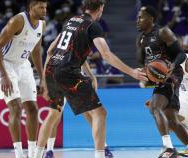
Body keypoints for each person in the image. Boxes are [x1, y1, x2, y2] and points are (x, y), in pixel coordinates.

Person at [34, 1, 147, 158]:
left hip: (52, 69)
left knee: (53, 114)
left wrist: (45, 80)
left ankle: (35, 155)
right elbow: (106, 55)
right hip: (68, 72)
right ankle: (101, 154)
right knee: (100, 114)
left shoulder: (71, 20)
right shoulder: (93, 26)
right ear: (100, 9)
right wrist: (132, 72)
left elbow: (52, 49)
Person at [136, 6, 188, 158]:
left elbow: (180, 53)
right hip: (160, 77)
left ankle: (168, 148)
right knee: (172, 120)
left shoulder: (163, 32)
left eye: (141, 17)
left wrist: (171, 66)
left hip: (172, 75)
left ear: (151, 19)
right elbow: (145, 64)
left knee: (155, 108)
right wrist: (146, 76)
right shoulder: (141, 39)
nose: (138, 20)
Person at [0, 0, 47, 158]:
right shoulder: (18, 20)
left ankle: (32, 153)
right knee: (16, 107)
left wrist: (42, 77)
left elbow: (36, 51)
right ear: (31, 8)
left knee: (33, 109)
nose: (44, 10)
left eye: (45, 7)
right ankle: (19, 154)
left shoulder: (42, 25)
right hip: (6, 64)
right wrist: (3, 75)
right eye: (40, 7)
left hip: (23, 65)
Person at [43, 61, 114, 158]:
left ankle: (104, 147)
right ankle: (49, 151)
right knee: (55, 117)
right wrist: (45, 81)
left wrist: (91, 76)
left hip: (75, 81)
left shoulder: (77, 48)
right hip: (59, 81)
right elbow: (49, 55)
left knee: (91, 114)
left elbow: (82, 59)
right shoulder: (56, 47)